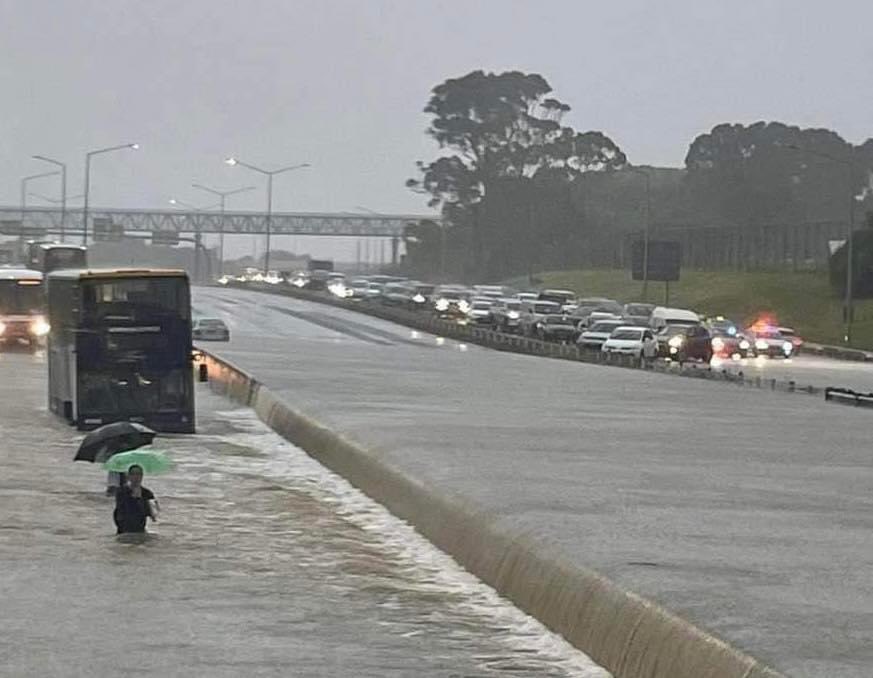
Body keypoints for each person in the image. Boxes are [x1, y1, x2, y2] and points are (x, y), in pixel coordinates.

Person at [113, 465, 159, 535]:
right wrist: (134, 498)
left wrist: (153, 507)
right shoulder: (121, 491)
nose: (136, 477)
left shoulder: (147, 493)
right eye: (133, 474)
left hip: (140, 530)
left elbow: (154, 517)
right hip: (124, 531)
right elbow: (120, 511)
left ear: (142, 476)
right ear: (128, 476)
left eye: (138, 474)